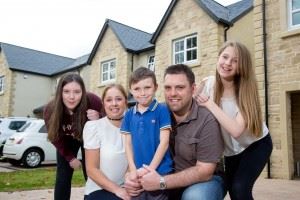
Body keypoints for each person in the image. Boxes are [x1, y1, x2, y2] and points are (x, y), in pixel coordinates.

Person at [124, 64, 225, 200]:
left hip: (202, 181)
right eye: (168, 88)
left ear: (193, 89)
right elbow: (136, 146)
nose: (173, 93)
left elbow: (204, 171)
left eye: (180, 87)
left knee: (195, 197)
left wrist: (161, 182)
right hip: (163, 178)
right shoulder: (157, 113)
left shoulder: (207, 120)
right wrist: (130, 175)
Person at [194, 41, 273, 200]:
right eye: (225, 57)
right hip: (231, 151)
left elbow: (237, 130)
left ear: (241, 66)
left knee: (239, 189)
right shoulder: (208, 83)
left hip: (256, 145)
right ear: (218, 58)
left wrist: (209, 103)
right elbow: (189, 104)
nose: (227, 63)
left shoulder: (245, 92)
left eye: (235, 60)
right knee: (232, 190)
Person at [44, 73, 105, 200]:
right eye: (66, 91)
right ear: (60, 92)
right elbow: (55, 137)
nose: (71, 97)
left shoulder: (93, 101)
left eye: (77, 92)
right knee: (63, 175)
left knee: (91, 173)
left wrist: (100, 118)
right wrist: (70, 158)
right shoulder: (50, 109)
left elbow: (110, 122)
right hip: (66, 141)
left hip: (88, 139)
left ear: (83, 92)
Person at [121, 67, 173, 200]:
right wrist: (132, 170)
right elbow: (127, 144)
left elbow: (164, 142)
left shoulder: (162, 109)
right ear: (131, 90)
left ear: (155, 87)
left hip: (159, 172)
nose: (142, 93)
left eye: (147, 87)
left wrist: (149, 169)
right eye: (137, 89)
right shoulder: (128, 115)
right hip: (137, 175)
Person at [83, 84, 130, 200]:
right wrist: (118, 190)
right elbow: (91, 169)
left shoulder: (133, 127)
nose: (114, 103)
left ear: (125, 101)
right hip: (98, 190)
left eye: (118, 99)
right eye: (109, 100)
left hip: (126, 188)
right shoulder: (94, 127)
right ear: (103, 104)